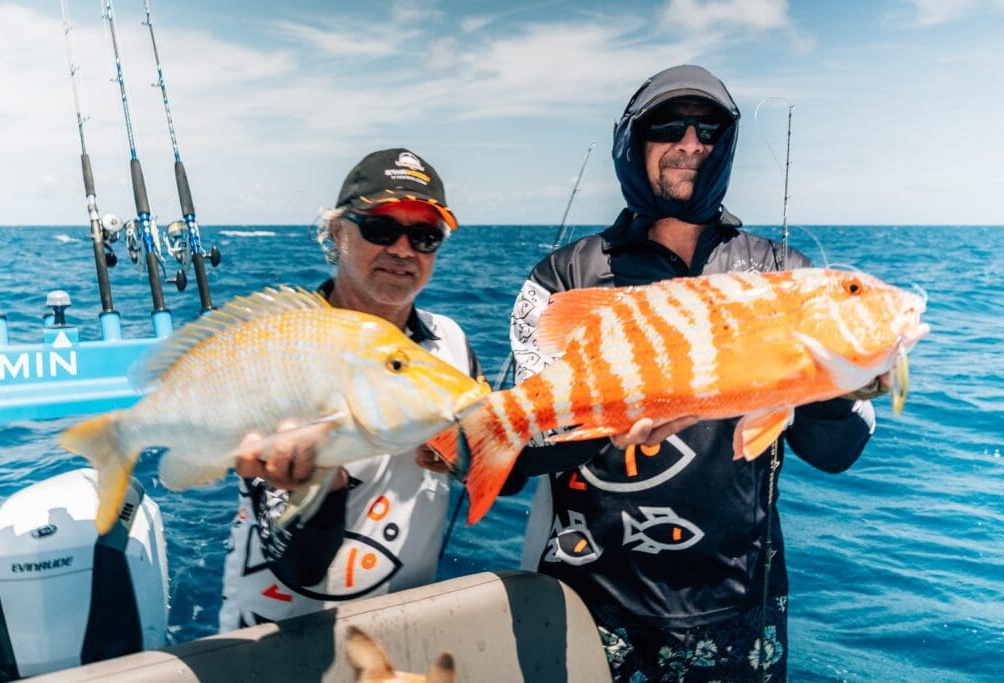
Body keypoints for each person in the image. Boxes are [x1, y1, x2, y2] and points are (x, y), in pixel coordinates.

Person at [507, 65, 888, 681]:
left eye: (708, 129)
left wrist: (827, 383)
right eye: (667, 126)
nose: (690, 143)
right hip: (588, 597)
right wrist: (609, 420)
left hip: (737, 606)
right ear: (633, 143)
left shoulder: (779, 275)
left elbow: (837, 451)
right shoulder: (563, 277)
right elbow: (523, 445)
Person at [218, 148, 480, 631]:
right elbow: (297, 565)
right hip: (275, 634)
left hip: (404, 629)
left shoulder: (452, 345)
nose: (403, 250)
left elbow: (497, 471)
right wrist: (324, 483)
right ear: (338, 232)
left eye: (424, 236)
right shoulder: (280, 348)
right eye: (381, 229)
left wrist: (466, 456)